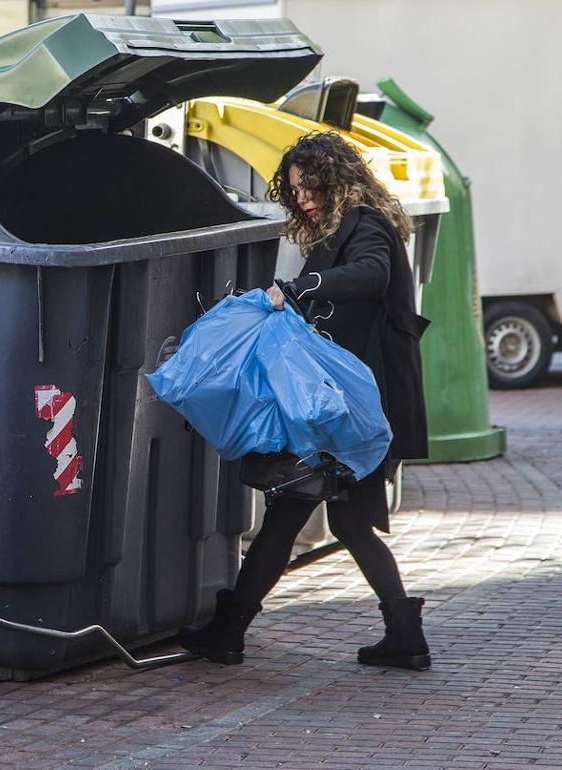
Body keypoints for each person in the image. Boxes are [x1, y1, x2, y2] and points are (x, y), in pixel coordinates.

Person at [177, 131, 433, 671]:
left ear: (337, 178)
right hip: (341, 407)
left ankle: (230, 631)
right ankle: (402, 634)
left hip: (356, 411)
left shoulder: (366, 225)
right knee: (323, 517)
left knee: (303, 513)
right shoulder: (343, 227)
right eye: (295, 190)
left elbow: (371, 274)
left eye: (310, 185)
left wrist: (302, 286)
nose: (304, 198)